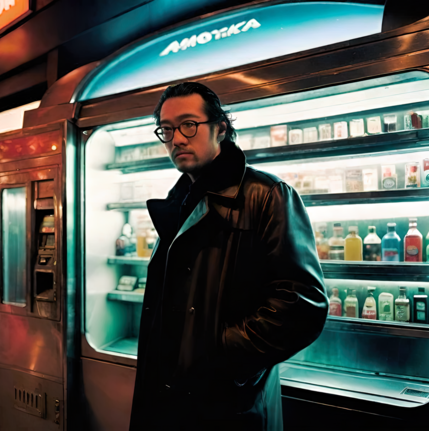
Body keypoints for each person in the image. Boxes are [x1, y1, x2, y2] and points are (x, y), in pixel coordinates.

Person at [129, 82, 329, 431]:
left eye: (189, 125)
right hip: (169, 397)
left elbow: (302, 303)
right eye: (167, 129)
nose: (176, 139)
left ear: (220, 127)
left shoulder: (267, 195)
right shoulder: (178, 201)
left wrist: (219, 353)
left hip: (226, 404)